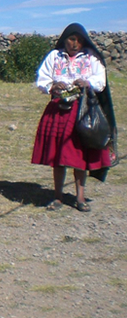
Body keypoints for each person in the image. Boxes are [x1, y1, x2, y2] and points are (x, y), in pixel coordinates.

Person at [31, 23, 118, 212]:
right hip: (58, 110)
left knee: (80, 155)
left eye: (79, 40)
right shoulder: (54, 57)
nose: (75, 44)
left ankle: (80, 197)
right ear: (65, 40)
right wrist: (53, 86)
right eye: (72, 39)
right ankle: (58, 197)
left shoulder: (91, 58)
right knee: (57, 156)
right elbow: (42, 79)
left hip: (83, 111)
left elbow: (100, 81)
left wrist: (87, 82)